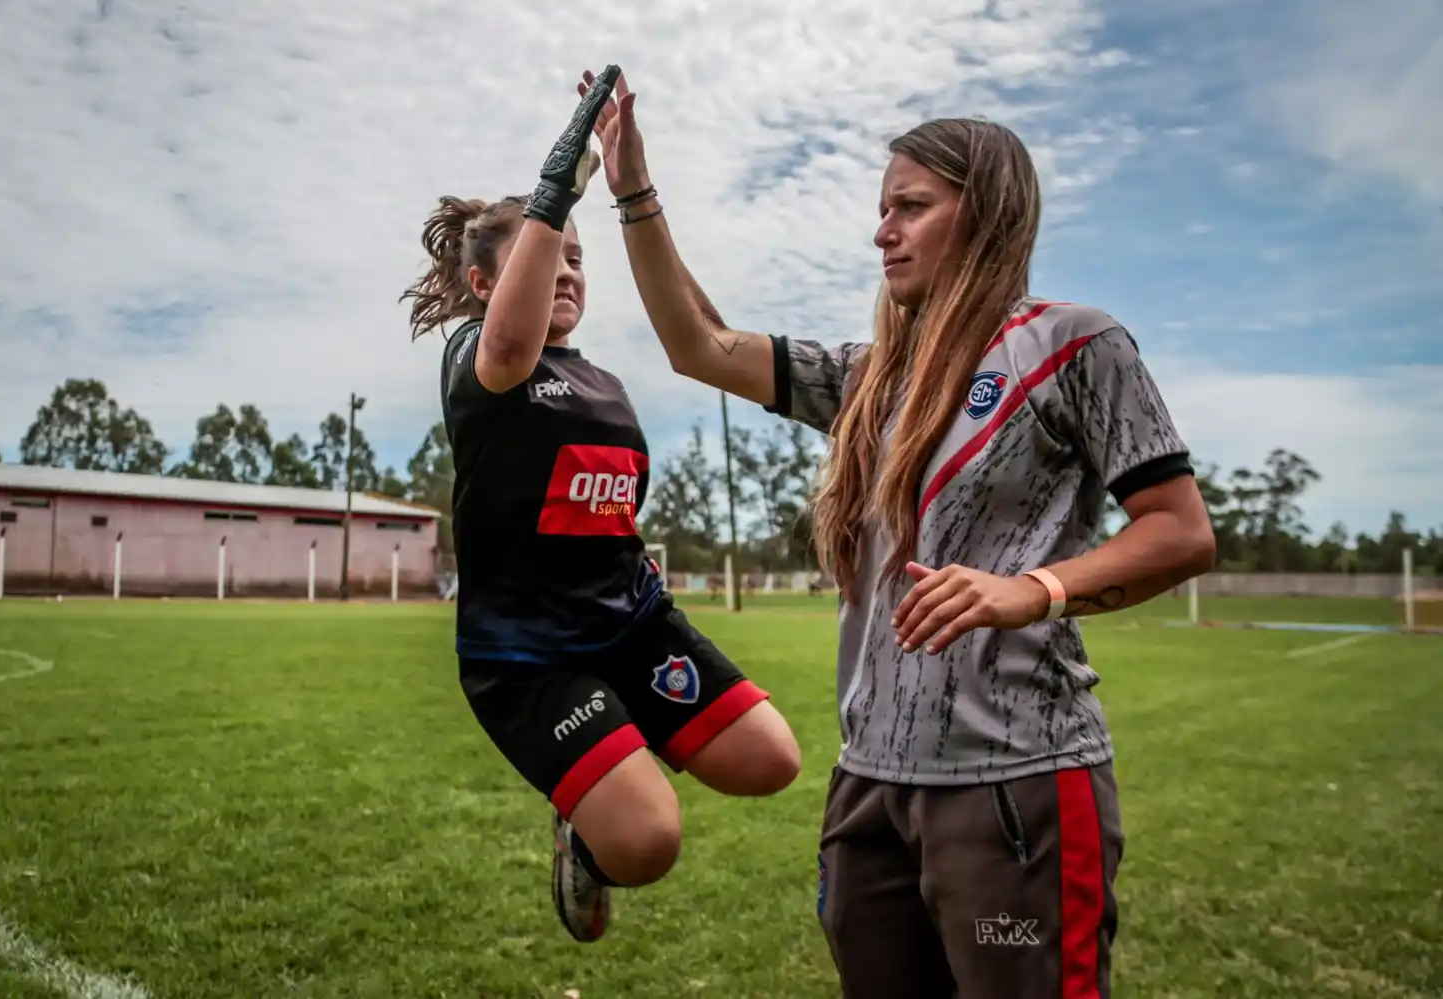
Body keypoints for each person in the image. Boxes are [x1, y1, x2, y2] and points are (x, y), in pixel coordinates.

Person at [582, 67, 1216, 997]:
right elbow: (700, 343)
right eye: (884, 209)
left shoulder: (1075, 346)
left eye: (910, 207)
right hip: (869, 785)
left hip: (1018, 785)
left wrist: (1029, 590)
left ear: (987, 211)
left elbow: (1180, 531)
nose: (883, 231)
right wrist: (634, 190)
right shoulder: (872, 378)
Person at [400, 65, 802, 945]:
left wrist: (629, 190)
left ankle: (614, 755)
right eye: (551, 255)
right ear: (484, 284)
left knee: (772, 758)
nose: (570, 270)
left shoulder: (605, 383)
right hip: (530, 656)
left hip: (631, 624)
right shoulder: (481, 358)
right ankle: (586, 834)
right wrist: (554, 190)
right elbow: (509, 340)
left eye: (579, 259)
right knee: (649, 841)